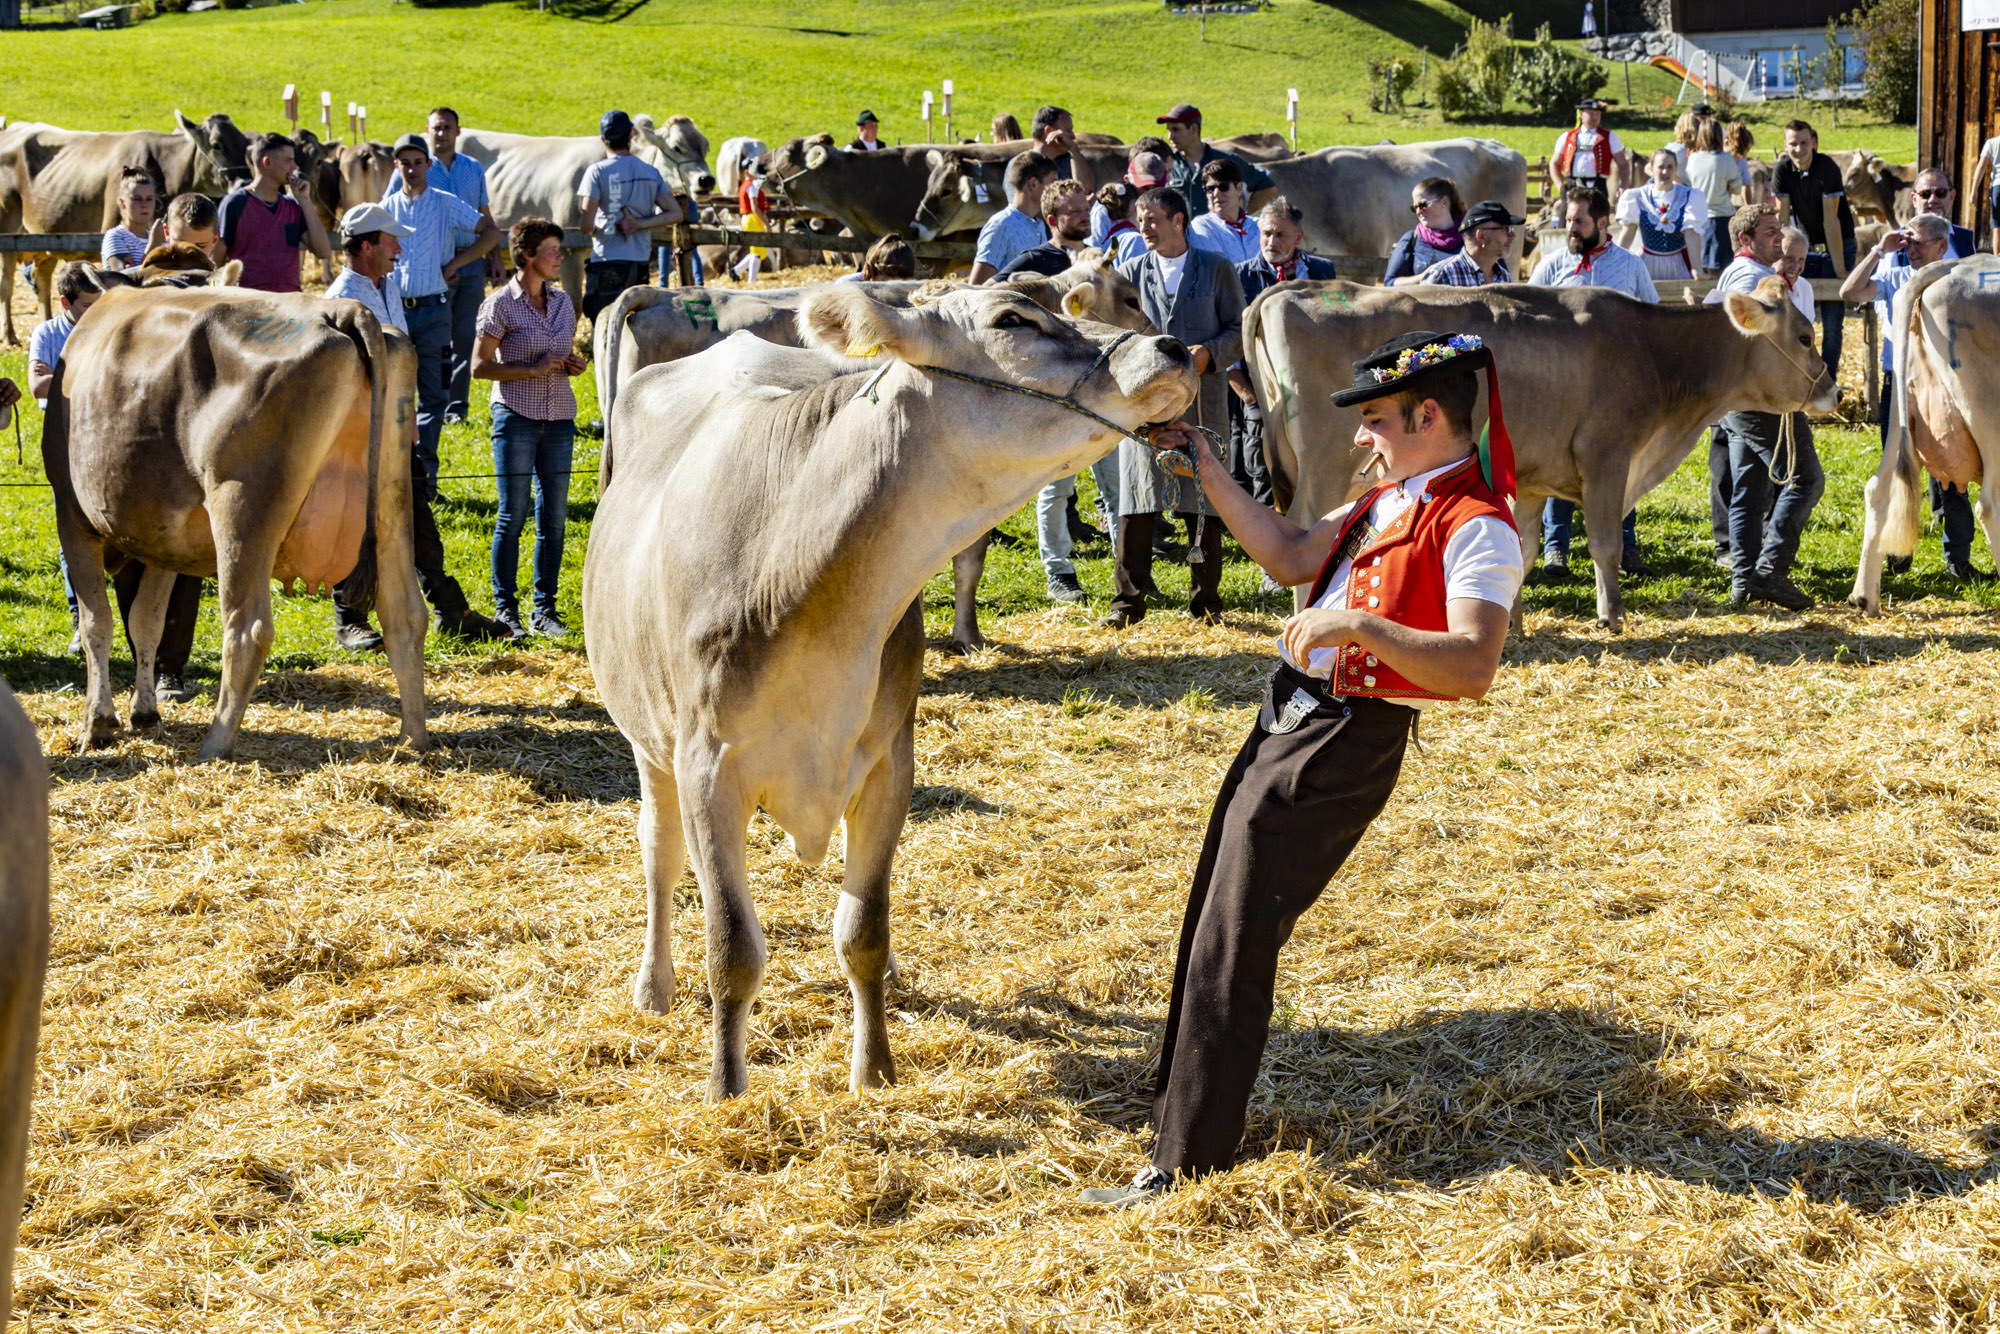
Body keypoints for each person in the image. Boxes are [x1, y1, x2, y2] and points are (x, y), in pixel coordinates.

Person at [1080, 330, 1523, 1208]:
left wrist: (1356, 627)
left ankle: (1189, 1158)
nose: (1362, 436)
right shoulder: (1386, 499)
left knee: (1237, 932)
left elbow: (1473, 666)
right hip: (1290, 716)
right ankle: (1175, 1109)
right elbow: (1289, 555)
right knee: (1215, 909)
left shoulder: (1479, 525)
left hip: (1346, 736)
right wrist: (1209, 468)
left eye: (1377, 419)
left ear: (1428, 417)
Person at [323, 203, 517, 649]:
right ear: (366, 246)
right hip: (356, 434)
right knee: (356, 524)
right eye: (391, 240)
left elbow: (400, 358)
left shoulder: (386, 286)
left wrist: (407, 420)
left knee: (419, 520)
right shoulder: (340, 298)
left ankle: (452, 611)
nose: (399, 248)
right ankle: (349, 619)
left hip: (393, 426)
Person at [1103, 186, 1244, 628]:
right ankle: (1127, 604)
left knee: (1204, 499)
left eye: (1153, 219)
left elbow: (1239, 327)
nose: (1143, 227)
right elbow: (1111, 332)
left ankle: (1207, 604)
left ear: (1178, 220)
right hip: (1142, 405)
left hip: (1201, 402)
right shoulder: (1128, 274)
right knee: (1137, 500)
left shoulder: (1217, 269)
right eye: (1141, 219)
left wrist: (1210, 354)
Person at [1840, 212, 1986, 580]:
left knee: (1954, 471)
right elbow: (1850, 292)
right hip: (1900, 382)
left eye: (1919, 243)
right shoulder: (1896, 276)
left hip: (1945, 385)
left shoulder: (1958, 280)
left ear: (1942, 244)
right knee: (1897, 466)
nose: (1911, 250)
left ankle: (1958, 560)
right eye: (1908, 242)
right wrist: (1879, 249)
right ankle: (1897, 556)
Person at [1532, 185, 1656, 576]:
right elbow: (1525, 319)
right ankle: (1556, 548)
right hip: (1561, 385)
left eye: (1579, 221)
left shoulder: (1631, 267)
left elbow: (1651, 319)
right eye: (1568, 219)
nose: (1571, 227)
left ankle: (1625, 546)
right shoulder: (1552, 266)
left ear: (1603, 223)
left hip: (1614, 388)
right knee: (1558, 463)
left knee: (1619, 465)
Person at [1704, 203, 1822, 611]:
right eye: (1770, 231)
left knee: (1749, 490)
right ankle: (1770, 571)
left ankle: (1743, 582)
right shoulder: (1754, 279)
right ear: (1746, 239)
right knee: (1806, 479)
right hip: (1762, 400)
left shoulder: (1740, 273)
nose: (1778, 237)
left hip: (1740, 399)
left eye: (1778, 229)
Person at [475, 217, 586, 637]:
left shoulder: (563, 303)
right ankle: (506, 610)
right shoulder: (500, 305)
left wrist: (571, 365)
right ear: (527, 255)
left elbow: (558, 354)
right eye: (552, 250)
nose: (560, 257)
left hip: (559, 417)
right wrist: (532, 369)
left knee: (554, 519)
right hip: (515, 417)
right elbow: (479, 367)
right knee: (513, 515)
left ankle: (545, 610)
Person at [380, 132, 503, 501]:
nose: (412, 169)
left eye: (418, 162)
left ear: (428, 165)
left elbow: (491, 233)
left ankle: (425, 480)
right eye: (405, 163)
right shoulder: (386, 209)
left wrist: (456, 264)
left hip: (434, 308)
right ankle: (392, 477)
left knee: (433, 396)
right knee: (392, 394)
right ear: (396, 166)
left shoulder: (445, 203)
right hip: (395, 311)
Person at [1232, 197, 1336, 511]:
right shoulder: (1241, 276)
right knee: (1262, 463)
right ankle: (1266, 528)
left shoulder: (1321, 271)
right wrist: (1247, 393)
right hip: (1260, 386)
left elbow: (1334, 325)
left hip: (1310, 385)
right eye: (1266, 234)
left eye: (1280, 235)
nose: (1271, 241)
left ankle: (1309, 523)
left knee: (1312, 456)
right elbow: (1231, 335)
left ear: (1298, 237)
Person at [423, 106, 498, 424]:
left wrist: (495, 256)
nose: (441, 133)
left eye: (447, 127)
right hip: (434, 262)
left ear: (458, 132)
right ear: (427, 131)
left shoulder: (472, 168)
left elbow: (484, 213)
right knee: (435, 337)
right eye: (436, 128)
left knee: (466, 337)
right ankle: (433, 402)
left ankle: (456, 407)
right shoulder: (417, 168)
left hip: (471, 259)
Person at [577, 109, 682, 321]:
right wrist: (638, 224)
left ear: (602, 139)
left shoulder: (596, 172)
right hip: (639, 260)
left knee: (604, 322)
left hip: (606, 259)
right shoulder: (650, 172)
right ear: (631, 135)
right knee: (633, 323)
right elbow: (675, 213)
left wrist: (598, 227)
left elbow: (586, 224)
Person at [1773, 118, 1855, 377]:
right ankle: (1798, 378)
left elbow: (1831, 220)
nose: (1798, 149)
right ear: (1785, 145)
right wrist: (1780, 258)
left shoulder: (1826, 168)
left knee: (1831, 324)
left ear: (1814, 143)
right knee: (1796, 318)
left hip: (1837, 243)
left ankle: (1827, 380)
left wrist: (1840, 269)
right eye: (1793, 144)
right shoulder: (1783, 170)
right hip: (1805, 247)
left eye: (1804, 143)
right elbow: (1782, 219)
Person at [217, 131, 331, 293]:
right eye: (289, 161)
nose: (295, 167)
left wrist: (305, 201)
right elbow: (215, 259)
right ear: (267, 162)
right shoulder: (235, 204)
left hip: (290, 303)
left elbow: (323, 251)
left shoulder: (292, 206)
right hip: (249, 303)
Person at [1157, 103, 1272, 220]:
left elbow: (1267, 186)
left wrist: (1243, 215)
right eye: (1169, 130)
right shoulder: (1168, 163)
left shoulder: (1226, 160)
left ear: (1193, 129)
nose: (1170, 136)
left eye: (1175, 130)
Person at [1612, 147, 1705, 280]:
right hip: (1647, 263)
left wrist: (1696, 269)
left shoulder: (1689, 196)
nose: (1665, 171)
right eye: (1661, 167)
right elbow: (1628, 234)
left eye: (1670, 167)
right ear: (1651, 169)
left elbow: (1692, 234)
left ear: (1676, 169)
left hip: (1679, 264)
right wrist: (1615, 265)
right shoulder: (1637, 196)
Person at [969, 152, 1058, 284]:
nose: (1056, 191)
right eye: (1053, 182)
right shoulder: (1001, 225)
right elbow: (977, 285)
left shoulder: (1038, 224)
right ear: (1033, 184)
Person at [997, 178, 1095, 279]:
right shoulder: (1035, 260)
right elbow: (990, 287)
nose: (1085, 216)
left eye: (1087, 209)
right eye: (1075, 212)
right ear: (1052, 220)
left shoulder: (1097, 259)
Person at [1414, 199, 1519, 285]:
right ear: (1481, 236)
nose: (1512, 236)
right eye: (1506, 229)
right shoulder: (1442, 276)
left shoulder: (1505, 277)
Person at [1685, 118, 1743, 274]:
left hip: (1698, 217)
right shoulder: (1726, 159)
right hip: (1722, 217)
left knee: (1701, 269)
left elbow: (1688, 184)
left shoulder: (1692, 159)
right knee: (1722, 270)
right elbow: (1737, 187)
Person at [1386, 177, 1466, 284]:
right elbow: (1390, 283)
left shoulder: (1470, 238)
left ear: (1444, 202)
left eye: (1423, 205)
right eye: (1414, 208)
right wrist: (1423, 277)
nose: (1418, 212)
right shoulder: (1412, 240)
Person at [1090, 149, 1169, 258]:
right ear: (1127, 180)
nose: (1150, 195)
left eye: (1156, 188)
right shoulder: (1105, 209)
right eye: (1145, 187)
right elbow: (1092, 251)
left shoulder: (1169, 208)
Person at [1188, 157, 1260, 265]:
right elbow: (1219, 269)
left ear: (1239, 188)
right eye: (1210, 189)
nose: (1216, 194)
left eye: (1223, 187)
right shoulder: (1201, 226)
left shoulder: (1260, 226)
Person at [1552, 98, 1627, 199]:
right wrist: (1560, 185)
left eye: (1597, 114)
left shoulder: (1610, 137)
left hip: (1598, 187)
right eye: (1591, 114)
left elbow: (1623, 164)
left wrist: (1623, 185)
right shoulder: (1566, 137)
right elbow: (1554, 163)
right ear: (1581, 114)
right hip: (1572, 187)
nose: (1595, 117)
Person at [101, 168, 156, 270]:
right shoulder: (116, 236)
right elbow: (126, 276)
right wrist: (154, 245)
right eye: (137, 199)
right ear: (122, 203)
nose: (144, 205)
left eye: (149, 199)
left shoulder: (161, 239)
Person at [732, 155, 774, 284]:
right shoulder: (752, 186)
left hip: (747, 218)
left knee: (757, 250)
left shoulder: (744, 185)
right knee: (757, 251)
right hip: (753, 218)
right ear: (747, 172)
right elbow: (754, 207)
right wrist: (766, 223)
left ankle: (736, 270)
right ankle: (752, 281)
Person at [151, 193, 221, 260]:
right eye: (182, 245)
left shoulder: (217, 269)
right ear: (167, 232)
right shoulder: (153, 267)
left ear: (214, 240)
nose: (190, 254)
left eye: (200, 246)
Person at [835, 233, 918, 283]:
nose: (895, 284)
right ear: (875, 270)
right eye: (889, 277)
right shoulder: (848, 285)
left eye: (903, 279)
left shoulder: (909, 291)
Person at [1030, 105, 1077, 179]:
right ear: (1049, 131)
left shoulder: (1072, 159)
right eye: (1068, 131)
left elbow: (1085, 186)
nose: (1073, 136)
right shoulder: (1022, 166)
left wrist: (1074, 150)